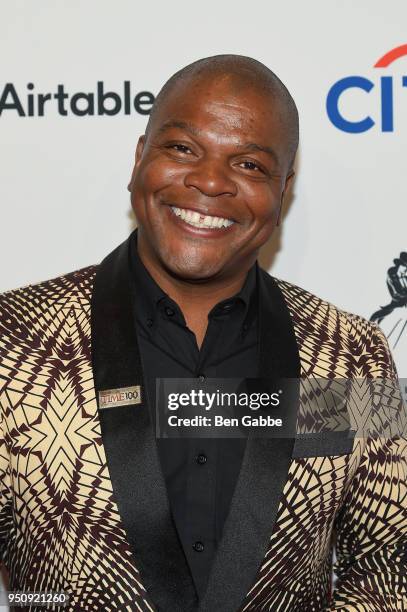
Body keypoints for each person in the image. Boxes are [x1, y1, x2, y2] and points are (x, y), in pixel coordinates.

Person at [0, 55, 406, 612]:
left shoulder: (349, 353)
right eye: (183, 149)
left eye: (250, 165)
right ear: (140, 157)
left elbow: (387, 564)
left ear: (283, 191)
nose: (211, 181)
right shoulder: (14, 338)